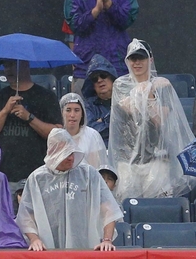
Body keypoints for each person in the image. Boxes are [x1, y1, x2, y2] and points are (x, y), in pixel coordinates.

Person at [108, 39, 194, 200]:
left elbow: (159, 120)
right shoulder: (121, 85)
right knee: (128, 206)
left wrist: (148, 93)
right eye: (133, 59)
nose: (137, 62)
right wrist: (145, 91)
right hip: (127, 162)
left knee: (157, 205)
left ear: (151, 59)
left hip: (158, 160)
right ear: (127, 61)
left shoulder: (163, 86)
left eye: (142, 58)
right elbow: (131, 111)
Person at [17, 128, 123, 251]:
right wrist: (34, 239)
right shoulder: (37, 178)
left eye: (72, 153)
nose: (71, 158)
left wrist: (107, 240)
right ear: (53, 153)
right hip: (47, 252)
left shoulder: (88, 174)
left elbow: (108, 209)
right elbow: (27, 216)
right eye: (66, 154)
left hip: (85, 249)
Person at [64, 0, 138, 92]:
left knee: (122, 113)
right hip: (85, 68)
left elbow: (127, 20)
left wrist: (109, 5)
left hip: (117, 67)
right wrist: (96, 10)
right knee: (82, 113)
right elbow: (75, 25)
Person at [0, 59, 62, 182]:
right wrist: (5, 111)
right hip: (4, 173)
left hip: (37, 173)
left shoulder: (46, 96)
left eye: (12, 64)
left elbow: (57, 134)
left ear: (26, 64)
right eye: (5, 65)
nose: (8, 69)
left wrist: (29, 117)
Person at [60, 92, 109, 170]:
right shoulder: (56, 136)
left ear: (82, 113)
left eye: (77, 110)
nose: (72, 115)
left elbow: (97, 168)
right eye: (68, 110)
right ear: (62, 112)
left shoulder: (92, 135)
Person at [82, 54, 117, 147]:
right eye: (94, 78)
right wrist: (113, 123)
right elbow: (91, 132)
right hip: (98, 152)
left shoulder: (125, 101)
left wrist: (103, 122)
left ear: (112, 78)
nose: (99, 80)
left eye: (103, 75)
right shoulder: (88, 106)